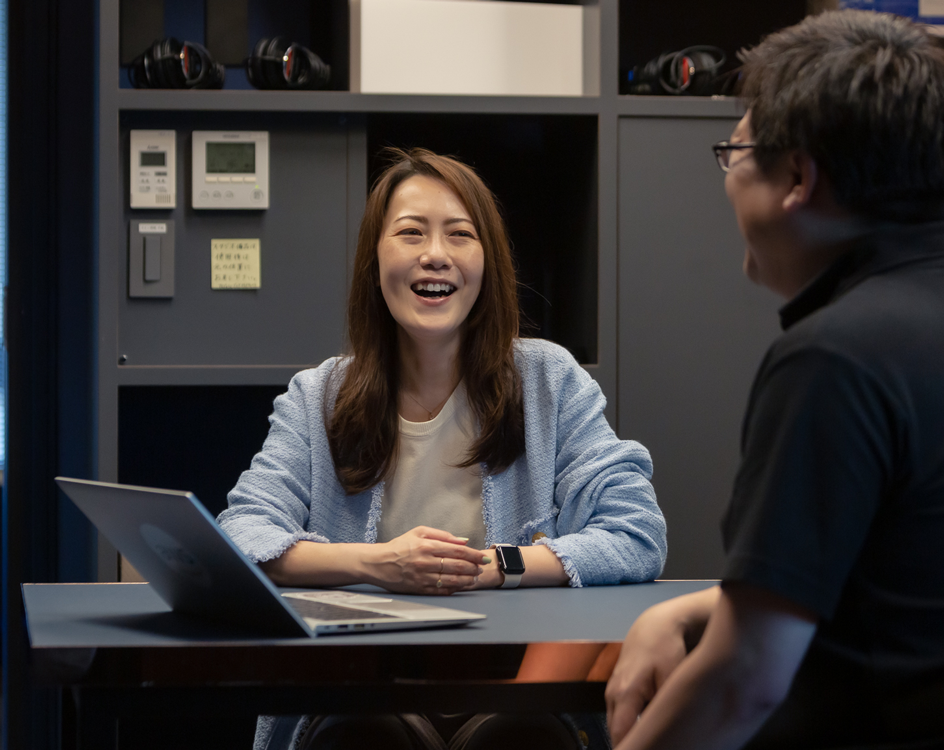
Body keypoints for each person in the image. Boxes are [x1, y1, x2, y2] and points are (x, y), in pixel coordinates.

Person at [605, 10, 944, 750]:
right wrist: (679, 612)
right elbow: (885, 592)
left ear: (796, 177)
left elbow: (745, 677)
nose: (728, 181)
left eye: (736, 152)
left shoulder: (834, 360)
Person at [218, 147, 667, 748]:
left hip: (518, 694)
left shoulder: (549, 380)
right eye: (410, 233)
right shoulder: (319, 394)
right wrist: (377, 563)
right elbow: (242, 535)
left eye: (460, 234)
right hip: (362, 696)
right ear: (374, 260)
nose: (436, 254)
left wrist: (494, 568)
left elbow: (636, 534)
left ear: (488, 263)